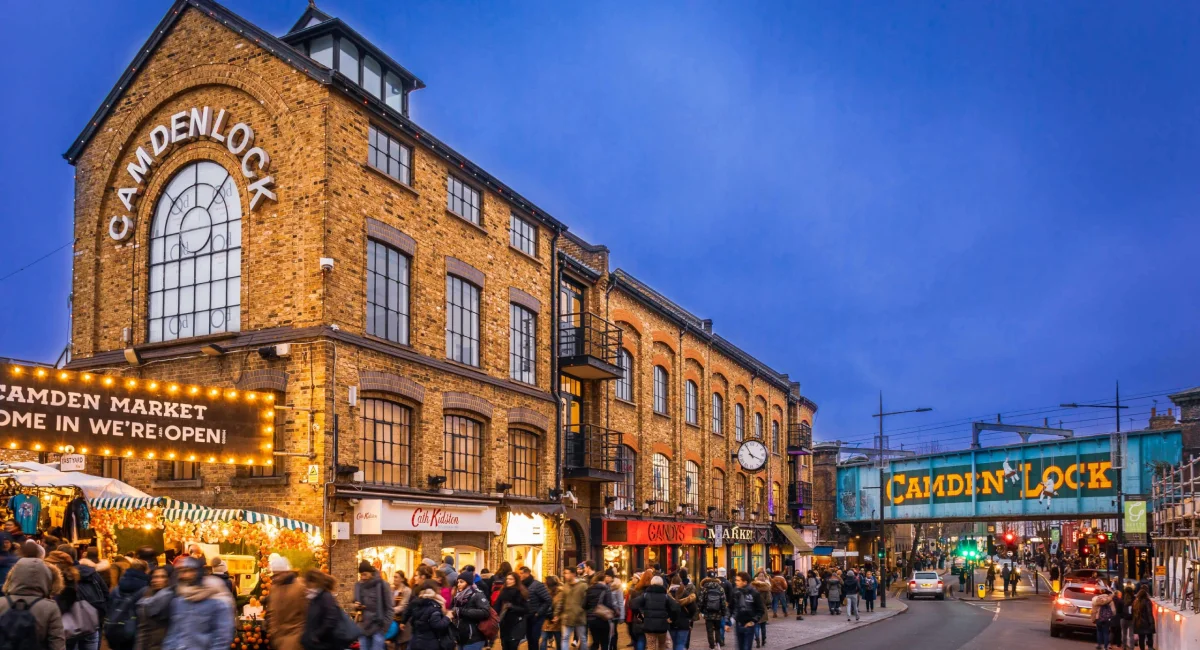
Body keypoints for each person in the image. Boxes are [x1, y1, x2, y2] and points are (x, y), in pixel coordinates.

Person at [162, 557, 234, 650]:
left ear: (198, 572)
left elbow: (222, 637)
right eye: (182, 571)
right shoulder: (179, 601)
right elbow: (173, 634)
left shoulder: (218, 600)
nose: (185, 575)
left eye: (190, 570)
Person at [0, 557, 66, 650]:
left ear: (13, 576)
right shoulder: (50, 607)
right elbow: (57, 643)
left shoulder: (1, 602)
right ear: (46, 578)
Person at [104, 558, 149, 650]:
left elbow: (109, 606)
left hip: (117, 628)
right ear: (145, 570)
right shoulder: (146, 588)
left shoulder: (118, 587)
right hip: (135, 631)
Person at [264, 555, 306, 650]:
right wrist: (273, 631)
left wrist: (302, 636)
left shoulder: (299, 588)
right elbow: (271, 612)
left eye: (277, 574)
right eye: (274, 575)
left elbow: (306, 614)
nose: (275, 578)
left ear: (285, 572)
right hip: (279, 640)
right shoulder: (274, 588)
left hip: (295, 639)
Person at [630, 575, 677, 650]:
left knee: (651, 646)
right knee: (662, 645)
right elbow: (676, 607)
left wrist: (640, 616)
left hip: (649, 625)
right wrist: (671, 618)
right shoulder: (665, 596)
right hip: (662, 625)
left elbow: (633, 604)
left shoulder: (646, 595)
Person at [354, 560, 394, 650]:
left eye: (365, 574)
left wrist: (383, 629)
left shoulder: (383, 585)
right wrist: (356, 606)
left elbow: (390, 609)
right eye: (361, 575)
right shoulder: (359, 585)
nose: (363, 577)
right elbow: (354, 603)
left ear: (371, 573)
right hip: (363, 629)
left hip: (378, 629)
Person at [300, 570, 343, 650]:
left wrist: (316, 635)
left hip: (324, 644)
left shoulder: (326, 597)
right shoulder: (314, 598)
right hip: (315, 644)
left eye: (307, 584)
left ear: (314, 583)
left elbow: (331, 620)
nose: (305, 587)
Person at [450, 571, 490, 650]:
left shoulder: (477, 594)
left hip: (474, 638)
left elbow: (485, 612)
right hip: (461, 637)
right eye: (458, 582)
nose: (459, 584)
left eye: (461, 582)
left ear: (468, 583)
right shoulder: (458, 596)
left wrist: (461, 611)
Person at [136, 567, 173, 650]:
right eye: (155, 577)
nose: (157, 580)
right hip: (151, 645)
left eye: (162, 577)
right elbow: (143, 629)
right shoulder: (146, 597)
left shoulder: (175, 599)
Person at [494, 572, 529, 650]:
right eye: (507, 579)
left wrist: (512, 607)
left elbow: (526, 609)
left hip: (516, 623)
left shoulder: (520, 592)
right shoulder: (503, 591)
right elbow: (497, 606)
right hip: (504, 623)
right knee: (505, 645)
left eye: (511, 579)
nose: (508, 581)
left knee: (512, 646)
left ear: (516, 580)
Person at [520, 566, 552, 650]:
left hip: (536, 617)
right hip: (527, 616)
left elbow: (548, 600)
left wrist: (539, 612)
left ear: (527, 573)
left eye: (521, 573)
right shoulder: (522, 585)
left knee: (534, 639)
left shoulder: (537, 585)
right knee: (530, 639)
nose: (520, 575)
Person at [729, 573, 762, 650]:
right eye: (736, 580)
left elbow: (760, 610)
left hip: (749, 625)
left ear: (745, 582)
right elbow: (731, 607)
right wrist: (728, 622)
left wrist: (753, 621)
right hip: (738, 624)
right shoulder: (735, 592)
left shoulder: (754, 593)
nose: (736, 582)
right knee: (740, 647)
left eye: (738, 580)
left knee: (747, 647)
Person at [560, 566, 588, 650]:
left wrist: (581, 610)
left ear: (573, 574)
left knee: (582, 638)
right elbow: (562, 600)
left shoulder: (583, 586)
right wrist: (557, 613)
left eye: (567, 573)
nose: (565, 575)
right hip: (567, 616)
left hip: (579, 616)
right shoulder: (565, 586)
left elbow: (586, 600)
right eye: (564, 573)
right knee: (565, 638)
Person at [667, 574, 696, 650]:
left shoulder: (668, 594)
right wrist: (689, 617)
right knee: (680, 643)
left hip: (671, 622)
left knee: (675, 643)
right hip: (684, 622)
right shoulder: (686, 594)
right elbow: (693, 608)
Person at [583, 573, 612, 650]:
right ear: (603, 580)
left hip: (592, 619)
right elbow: (609, 604)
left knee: (595, 642)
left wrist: (590, 610)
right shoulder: (606, 589)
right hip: (603, 619)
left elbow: (584, 605)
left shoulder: (589, 589)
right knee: (605, 642)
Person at [392, 570, 413, 650]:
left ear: (402, 579)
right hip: (393, 621)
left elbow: (403, 606)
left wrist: (390, 611)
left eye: (396, 577)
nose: (394, 579)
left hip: (402, 621)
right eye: (394, 577)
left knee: (402, 644)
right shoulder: (392, 589)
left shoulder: (407, 590)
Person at [542, 576, 563, 650]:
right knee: (544, 639)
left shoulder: (561, 593)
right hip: (547, 619)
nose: (545, 585)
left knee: (558, 640)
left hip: (557, 621)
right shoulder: (545, 592)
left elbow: (561, 606)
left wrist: (557, 617)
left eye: (546, 584)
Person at [749, 574, 770, 647]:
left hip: (754, 608)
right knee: (763, 626)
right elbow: (768, 600)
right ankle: (763, 640)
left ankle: (757, 640)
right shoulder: (766, 588)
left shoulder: (752, 588)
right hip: (763, 608)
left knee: (756, 625)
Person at [607, 574, 625, 650]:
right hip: (606, 612)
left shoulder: (617, 586)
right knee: (610, 631)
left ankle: (613, 646)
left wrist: (622, 616)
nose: (606, 577)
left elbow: (621, 602)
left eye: (608, 576)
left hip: (614, 612)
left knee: (613, 631)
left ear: (611, 577)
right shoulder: (605, 585)